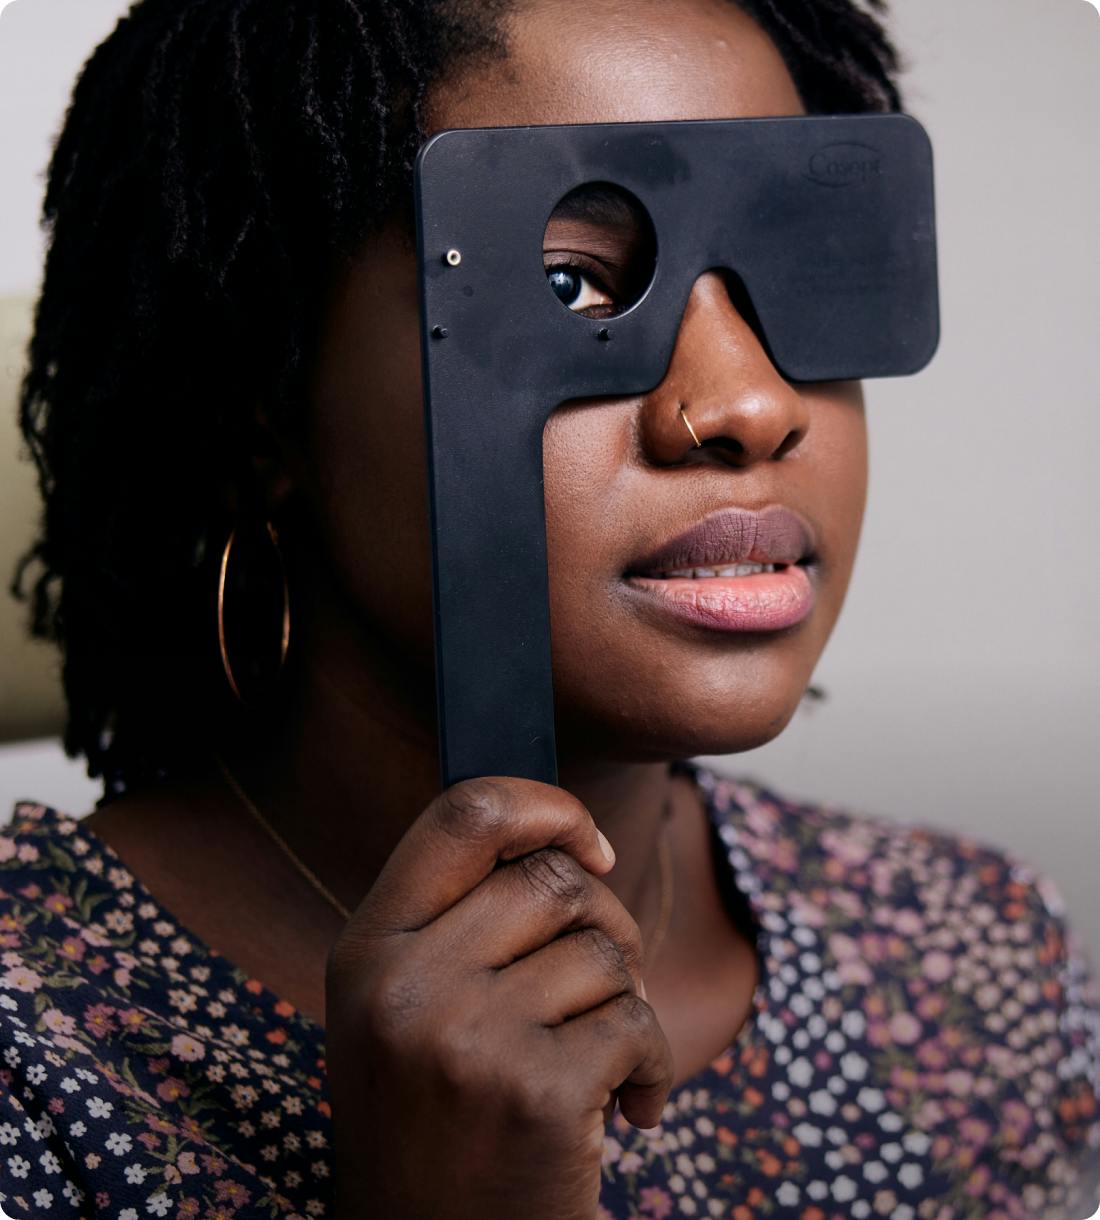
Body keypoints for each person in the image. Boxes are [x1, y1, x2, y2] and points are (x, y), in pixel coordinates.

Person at [2, 0, 1098, 1217]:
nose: (744, 405)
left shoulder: (974, 956)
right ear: (267, 403)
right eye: (572, 284)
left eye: (789, 273)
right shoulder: (31, 1051)